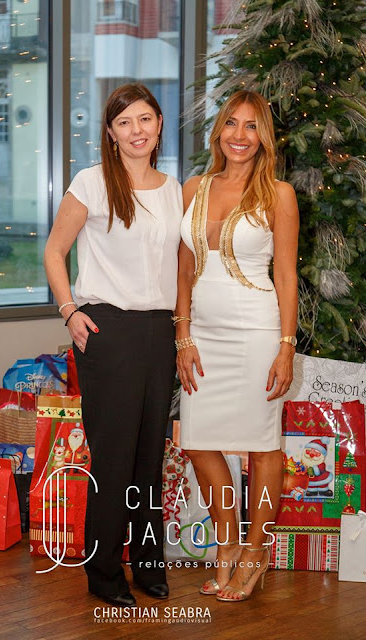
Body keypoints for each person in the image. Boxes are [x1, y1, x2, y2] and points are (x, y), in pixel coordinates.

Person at [44, 83, 182, 607]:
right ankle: (103, 575)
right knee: (114, 460)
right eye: (125, 122)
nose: (136, 130)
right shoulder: (92, 183)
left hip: (159, 332)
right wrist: (69, 310)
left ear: (159, 123)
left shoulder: (174, 190)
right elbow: (55, 251)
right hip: (108, 331)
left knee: (149, 458)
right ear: (111, 132)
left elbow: (182, 265)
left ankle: (148, 566)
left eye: (144, 119)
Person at [175, 89, 299, 602]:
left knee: (262, 443)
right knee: (197, 441)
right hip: (202, 334)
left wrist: (286, 346)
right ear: (218, 131)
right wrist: (182, 334)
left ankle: (255, 549)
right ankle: (227, 542)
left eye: (251, 126)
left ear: (263, 136)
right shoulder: (194, 187)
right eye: (231, 123)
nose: (240, 136)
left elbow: (286, 275)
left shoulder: (279, 194)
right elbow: (183, 268)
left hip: (256, 332)